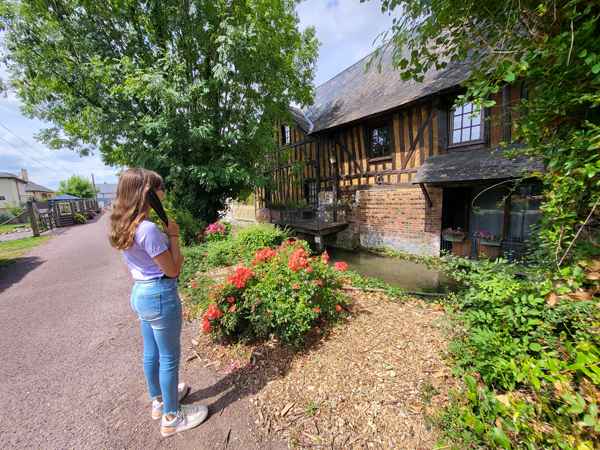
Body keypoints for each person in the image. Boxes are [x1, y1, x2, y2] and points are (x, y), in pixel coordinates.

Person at [108, 167, 208, 437]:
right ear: (147, 193)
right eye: (159, 188)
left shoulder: (124, 225)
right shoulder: (149, 229)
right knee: (169, 358)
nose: (163, 193)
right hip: (161, 295)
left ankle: (160, 400)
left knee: (151, 353)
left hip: (141, 294)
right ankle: (172, 418)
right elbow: (173, 269)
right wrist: (173, 234)